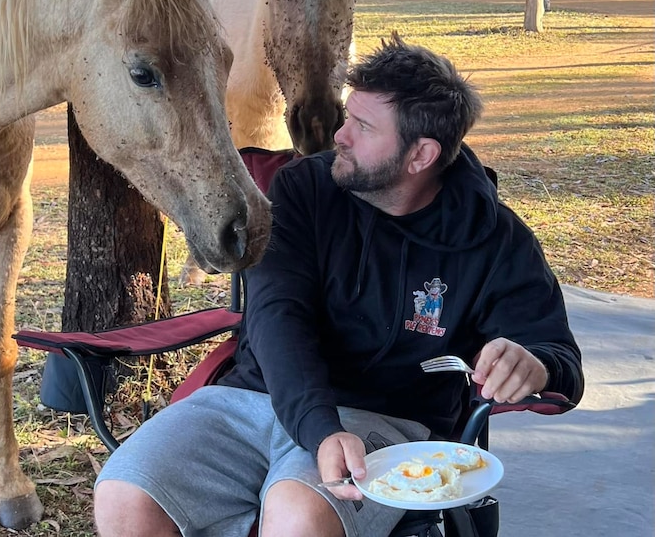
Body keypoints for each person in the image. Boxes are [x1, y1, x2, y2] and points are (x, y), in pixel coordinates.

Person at [93, 32, 584, 537]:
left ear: (420, 156)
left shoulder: (494, 239)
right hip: (258, 397)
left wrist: (537, 364)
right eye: (349, 117)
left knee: (297, 516)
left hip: (387, 422)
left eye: (364, 127)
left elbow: (560, 360)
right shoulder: (304, 189)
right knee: (124, 496)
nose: (341, 136)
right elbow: (276, 316)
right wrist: (319, 427)